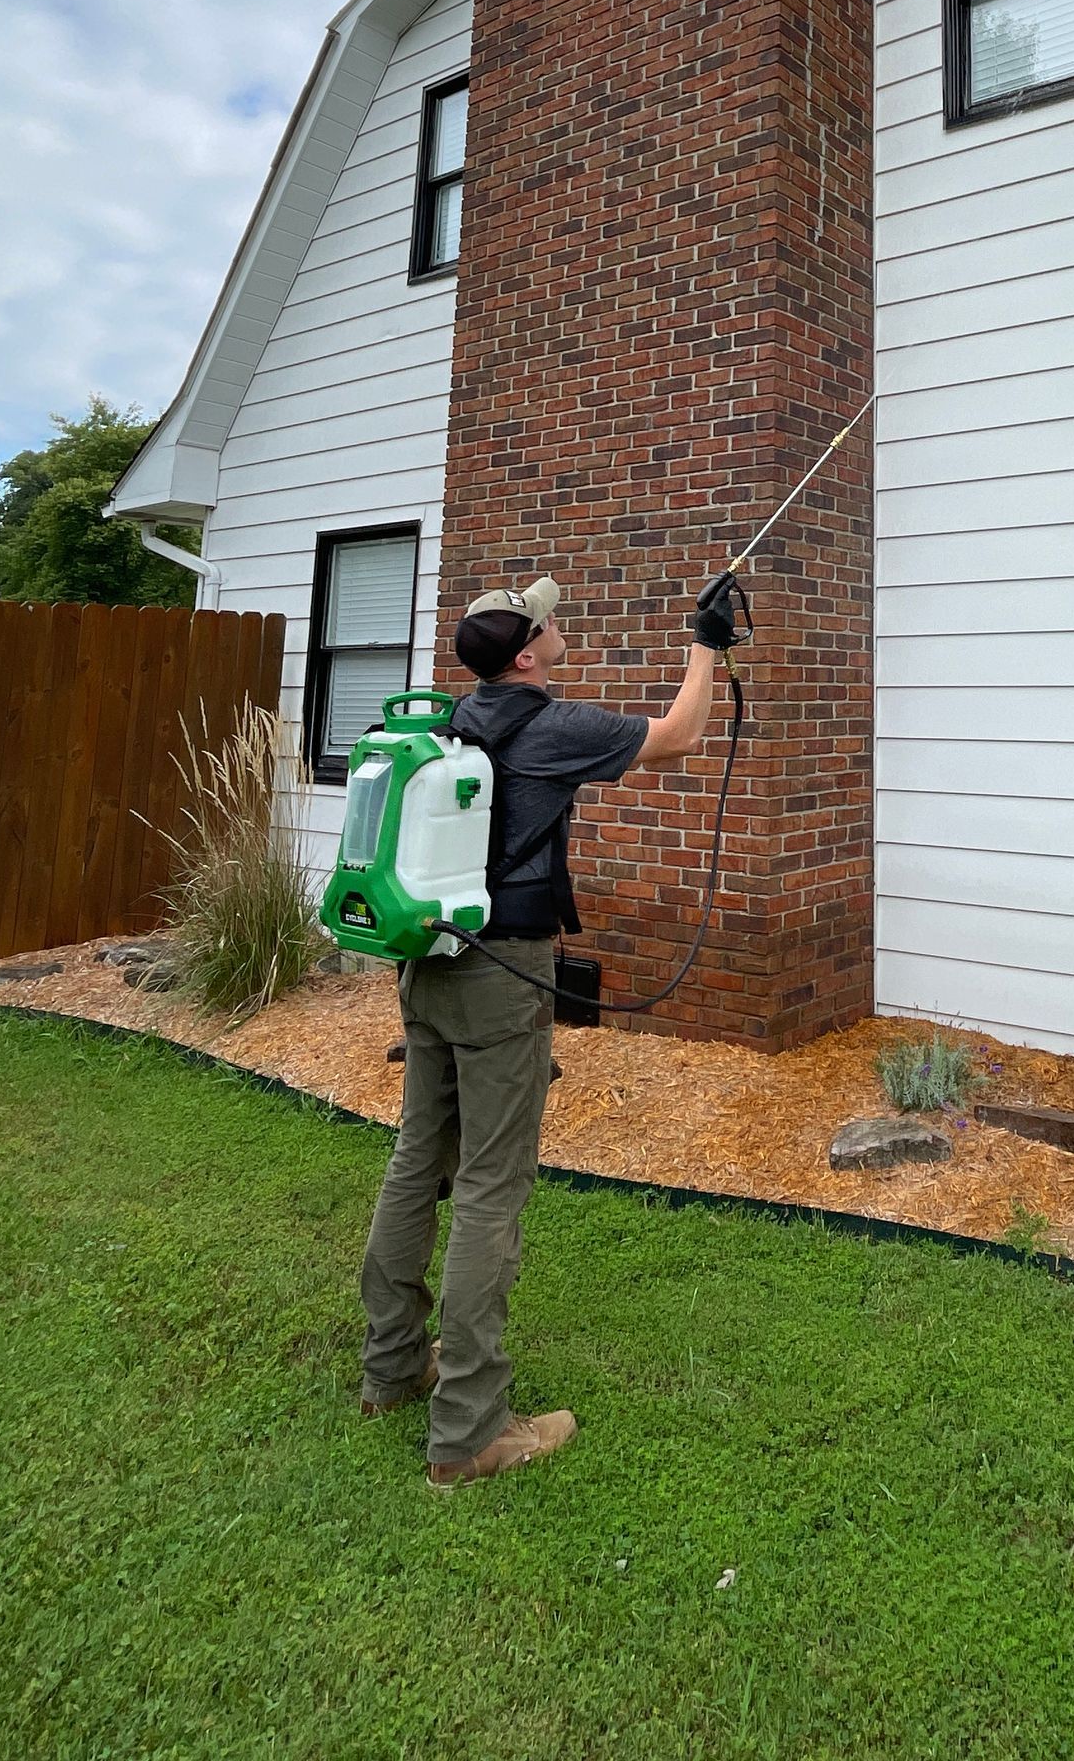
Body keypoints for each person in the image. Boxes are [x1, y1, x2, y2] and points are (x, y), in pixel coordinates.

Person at [358, 569, 741, 1490]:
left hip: (430, 964)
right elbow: (681, 736)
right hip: (503, 974)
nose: (558, 625)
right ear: (527, 654)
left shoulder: (454, 723)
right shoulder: (554, 725)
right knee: (490, 1184)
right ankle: (470, 1431)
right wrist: (706, 644)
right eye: (547, 623)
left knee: (418, 1157)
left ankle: (391, 1367)